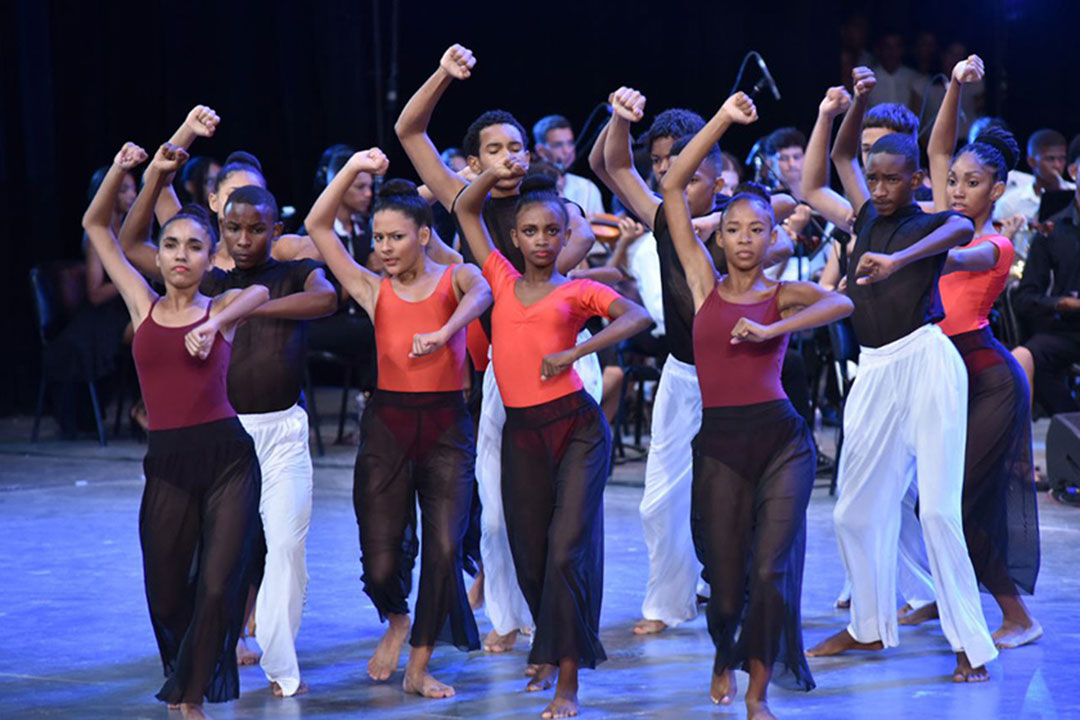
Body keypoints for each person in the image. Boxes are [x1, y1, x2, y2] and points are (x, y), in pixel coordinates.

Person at [395, 43, 598, 654]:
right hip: (496, 372)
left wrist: (529, 290)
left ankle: (565, 618)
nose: (507, 158)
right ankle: (510, 616)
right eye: (493, 150)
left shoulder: (547, 206)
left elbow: (583, 231)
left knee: (568, 513)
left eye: (515, 148)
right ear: (473, 159)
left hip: (559, 365)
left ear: (529, 154)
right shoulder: (466, 201)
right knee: (498, 512)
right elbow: (409, 129)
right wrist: (443, 75)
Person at [119, 142, 340, 698]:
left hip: (282, 433)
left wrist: (242, 308)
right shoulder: (202, 279)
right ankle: (216, 647)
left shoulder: (293, 272)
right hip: (220, 436)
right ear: (221, 227)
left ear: (274, 226)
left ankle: (281, 663)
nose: (246, 239)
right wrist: (160, 171)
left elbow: (328, 300)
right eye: (235, 229)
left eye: (257, 229)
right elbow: (130, 245)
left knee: (285, 547)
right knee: (219, 559)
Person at [662, 90, 853, 720]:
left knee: (770, 571)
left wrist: (774, 331)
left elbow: (843, 304)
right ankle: (726, 648)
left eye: (757, 230)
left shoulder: (784, 293)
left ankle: (757, 691)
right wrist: (720, 119)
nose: (745, 239)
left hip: (781, 442)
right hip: (721, 443)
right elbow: (672, 188)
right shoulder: (701, 280)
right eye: (734, 230)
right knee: (723, 581)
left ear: (774, 237)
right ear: (719, 240)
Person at [804, 67, 998, 683]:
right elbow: (837, 155)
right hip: (876, 370)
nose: (881, 188)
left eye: (894, 179)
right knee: (853, 511)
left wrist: (898, 260)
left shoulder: (927, 223)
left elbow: (963, 228)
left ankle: (971, 643)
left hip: (927, 362)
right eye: (876, 178)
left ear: (916, 179)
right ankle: (869, 626)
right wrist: (857, 102)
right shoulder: (862, 214)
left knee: (938, 512)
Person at [457, 155, 651, 719]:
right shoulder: (499, 276)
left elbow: (635, 317)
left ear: (567, 235)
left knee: (567, 549)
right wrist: (496, 175)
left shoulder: (579, 290)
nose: (543, 240)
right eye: (531, 231)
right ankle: (550, 644)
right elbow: (467, 207)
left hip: (577, 429)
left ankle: (568, 676)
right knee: (531, 556)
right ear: (515, 238)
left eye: (552, 231)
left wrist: (575, 350)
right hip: (522, 435)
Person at [84, 141, 269, 719]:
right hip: (166, 463)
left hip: (229, 460)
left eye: (194, 246)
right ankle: (181, 674)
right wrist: (123, 170)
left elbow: (258, 292)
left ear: (210, 256)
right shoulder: (141, 305)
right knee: (166, 592)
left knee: (218, 585)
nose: (181, 255)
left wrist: (218, 325)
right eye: (170, 246)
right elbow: (95, 223)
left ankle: (188, 696)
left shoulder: (225, 303)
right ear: (158, 257)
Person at [600, 86, 794, 637]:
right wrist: (619, 118)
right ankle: (668, 601)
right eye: (659, 161)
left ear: (719, 173)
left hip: (737, 385)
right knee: (659, 501)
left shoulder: (743, 228)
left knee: (734, 499)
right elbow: (611, 163)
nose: (667, 171)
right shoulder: (667, 217)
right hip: (683, 376)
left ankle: (743, 589)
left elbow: (781, 211)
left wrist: (724, 125)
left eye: (679, 163)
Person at [306, 148, 492, 698]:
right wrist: (353, 170)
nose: (383, 249)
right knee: (382, 554)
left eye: (395, 238)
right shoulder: (372, 288)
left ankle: (420, 660)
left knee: (442, 547)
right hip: (388, 426)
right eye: (378, 239)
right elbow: (319, 224)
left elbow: (483, 292)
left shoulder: (457, 276)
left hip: (445, 429)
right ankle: (396, 616)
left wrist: (443, 332)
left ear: (424, 236)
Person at [891, 53, 1042, 649]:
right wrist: (954, 84)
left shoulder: (994, 243)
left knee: (953, 499)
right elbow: (937, 147)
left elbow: (964, 258)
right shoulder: (940, 214)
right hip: (941, 372)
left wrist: (918, 252)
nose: (956, 189)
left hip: (986, 377)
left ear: (998, 191)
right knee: (927, 497)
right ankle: (945, 595)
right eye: (952, 181)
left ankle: (1017, 617)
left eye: (972, 183)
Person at [993, 129, 1074, 260]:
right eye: (1050, 159)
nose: (1057, 165)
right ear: (1032, 161)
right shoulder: (1010, 203)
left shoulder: (1076, 194)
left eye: (1062, 159)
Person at [533, 114, 605, 218]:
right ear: (541, 151)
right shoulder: (530, 187)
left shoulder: (587, 187)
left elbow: (601, 230)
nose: (567, 151)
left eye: (570, 143)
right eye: (558, 145)